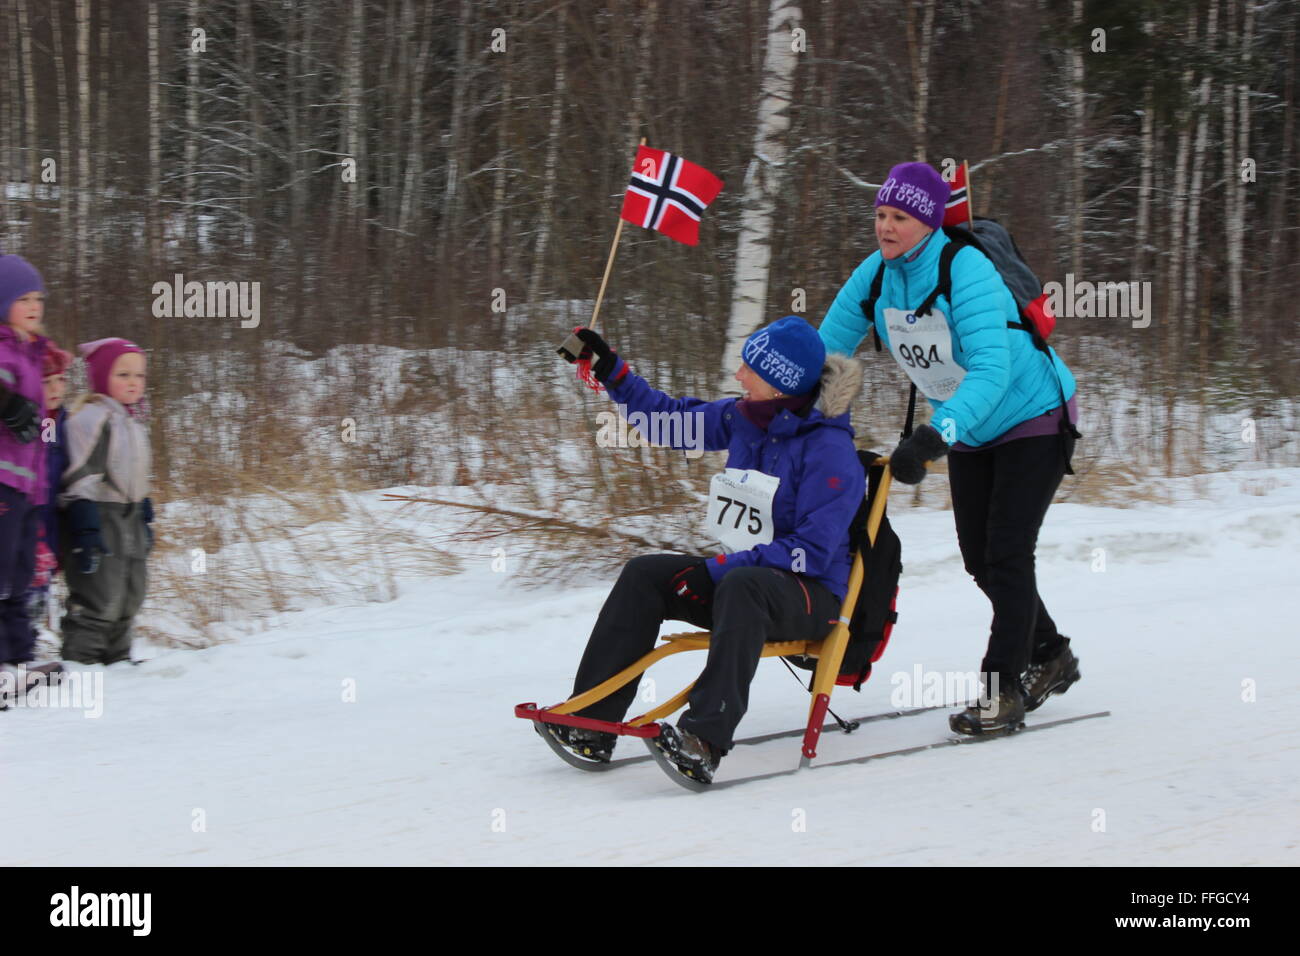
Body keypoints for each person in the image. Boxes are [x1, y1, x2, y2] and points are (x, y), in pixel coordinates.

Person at [819, 161, 1080, 736]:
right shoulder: (875, 276)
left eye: (901, 217)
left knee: (1008, 554)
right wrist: (788, 411)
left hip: (1033, 416)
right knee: (978, 558)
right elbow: (826, 354)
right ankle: (1050, 652)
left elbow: (992, 368)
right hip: (970, 428)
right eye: (881, 215)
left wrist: (936, 436)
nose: (886, 228)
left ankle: (1001, 690)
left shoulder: (969, 270)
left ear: (930, 221)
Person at [554, 316, 865, 784]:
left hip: (810, 596)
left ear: (780, 384)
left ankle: (703, 741)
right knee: (645, 574)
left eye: (749, 369)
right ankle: (593, 724)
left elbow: (812, 552)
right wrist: (611, 370)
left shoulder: (830, 451)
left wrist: (720, 570)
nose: (738, 376)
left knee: (742, 584)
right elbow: (669, 423)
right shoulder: (743, 419)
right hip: (746, 580)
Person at [59, 338, 155, 666]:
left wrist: (143, 511)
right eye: (124, 375)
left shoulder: (133, 421)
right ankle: (80, 666)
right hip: (98, 516)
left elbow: (134, 473)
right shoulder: (92, 419)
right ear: (101, 378)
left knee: (130, 594)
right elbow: (80, 475)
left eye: (139, 376)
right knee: (100, 596)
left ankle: (118, 664)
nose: (133, 383)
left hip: (128, 518)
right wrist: (84, 526)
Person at [0, 255, 52, 694]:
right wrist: (7, 404)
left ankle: (19, 661)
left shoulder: (33, 352)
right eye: (22, 298)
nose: (34, 305)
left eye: (38, 297)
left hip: (25, 483)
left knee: (18, 574)